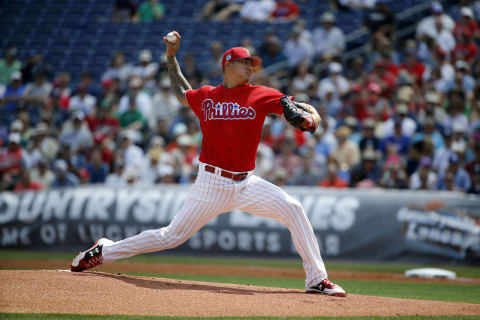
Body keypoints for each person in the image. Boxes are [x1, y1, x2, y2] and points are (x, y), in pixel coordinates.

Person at [70, 30, 346, 297]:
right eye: (244, 62)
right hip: (211, 184)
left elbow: (306, 112)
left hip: (247, 182)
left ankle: (316, 280)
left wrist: (311, 119)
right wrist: (170, 57)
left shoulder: (262, 94)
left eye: (252, 63)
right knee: (170, 237)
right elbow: (181, 91)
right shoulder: (206, 96)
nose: (250, 67)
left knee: (293, 209)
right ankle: (104, 251)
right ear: (228, 64)